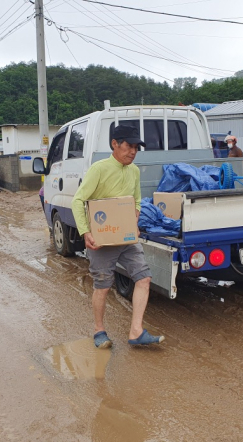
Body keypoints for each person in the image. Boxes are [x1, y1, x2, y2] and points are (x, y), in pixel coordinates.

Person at [71, 124, 165, 349]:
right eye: (129, 146)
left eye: (136, 148)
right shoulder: (99, 169)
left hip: (127, 238)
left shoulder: (133, 171)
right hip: (102, 240)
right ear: (115, 144)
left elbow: (137, 199)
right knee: (103, 285)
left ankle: (136, 331)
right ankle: (99, 331)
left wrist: (134, 217)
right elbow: (77, 200)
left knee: (143, 278)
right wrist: (85, 232)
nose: (133, 151)